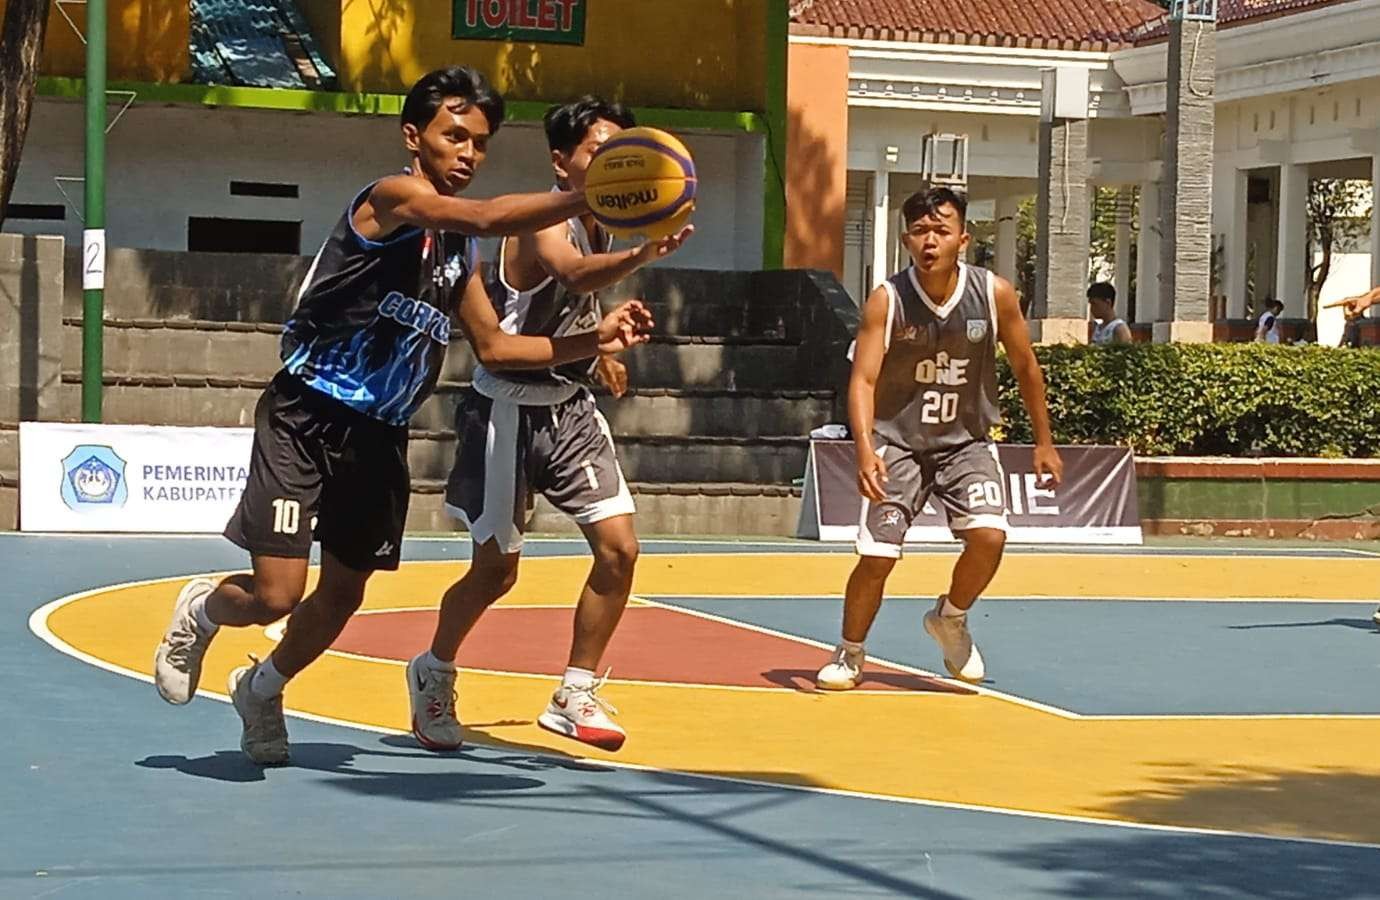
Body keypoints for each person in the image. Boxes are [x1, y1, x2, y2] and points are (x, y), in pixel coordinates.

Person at [152, 67, 654, 766]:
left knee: (341, 597)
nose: (468, 154)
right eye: (455, 136)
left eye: (479, 142)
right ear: (414, 136)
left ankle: (263, 688)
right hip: (306, 416)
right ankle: (204, 612)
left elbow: (498, 346)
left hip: (379, 435)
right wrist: (586, 192)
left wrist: (591, 341)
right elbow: (481, 213)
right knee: (277, 594)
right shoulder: (391, 199)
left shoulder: (459, 253)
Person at [406, 96, 692, 754]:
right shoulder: (542, 220)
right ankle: (435, 669)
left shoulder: (600, 223)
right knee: (495, 573)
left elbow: (580, 294)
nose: (614, 166)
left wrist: (600, 354)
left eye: (623, 154)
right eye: (600, 153)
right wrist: (642, 259)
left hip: (567, 407)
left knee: (620, 549)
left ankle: (575, 690)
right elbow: (570, 271)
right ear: (562, 162)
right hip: (505, 407)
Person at [815, 187, 1062, 690]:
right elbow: (861, 380)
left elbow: (1025, 367)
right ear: (906, 239)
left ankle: (950, 616)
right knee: (878, 556)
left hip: (965, 441)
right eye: (921, 231)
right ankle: (850, 651)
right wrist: (863, 448)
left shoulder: (993, 294)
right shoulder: (887, 300)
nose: (931, 241)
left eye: (941, 230)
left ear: (963, 238)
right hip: (897, 442)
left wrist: (1044, 440)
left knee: (990, 536)